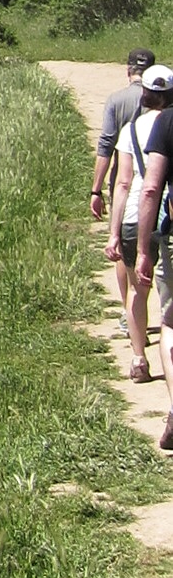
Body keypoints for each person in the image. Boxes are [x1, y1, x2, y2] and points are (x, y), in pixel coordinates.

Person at [114, 58, 173, 387]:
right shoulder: (168, 123)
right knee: (168, 294)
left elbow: (124, 183)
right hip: (165, 217)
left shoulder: (131, 130)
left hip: (136, 215)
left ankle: (139, 357)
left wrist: (114, 232)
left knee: (138, 289)